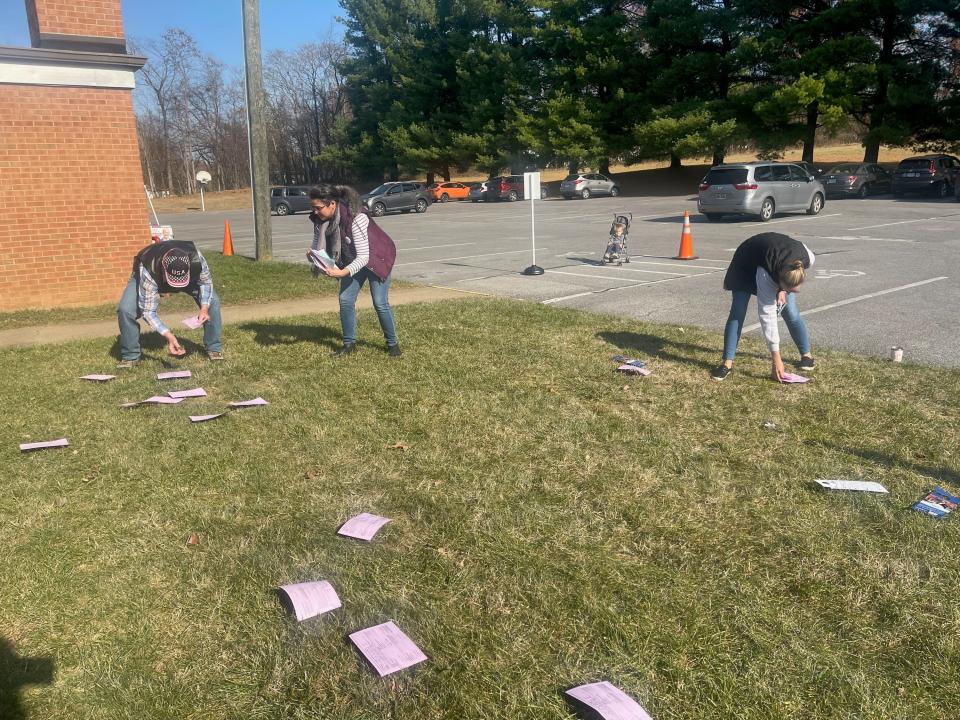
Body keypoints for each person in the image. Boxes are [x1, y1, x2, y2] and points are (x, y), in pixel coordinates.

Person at [308, 183, 400, 357]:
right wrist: (313, 255)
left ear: (332, 203)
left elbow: (364, 256)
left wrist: (343, 272)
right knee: (345, 300)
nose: (315, 212)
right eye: (312, 207)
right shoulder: (321, 220)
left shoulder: (356, 217)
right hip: (353, 260)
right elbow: (316, 245)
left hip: (377, 258)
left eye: (318, 207)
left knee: (380, 303)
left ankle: (392, 344)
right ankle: (349, 344)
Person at [712, 232, 816, 382]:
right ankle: (726, 363)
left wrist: (783, 290)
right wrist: (776, 360)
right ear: (779, 280)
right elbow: (768, 317)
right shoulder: (766, 275)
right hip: (746, 263)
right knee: (738, 311)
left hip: (776, 265)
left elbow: (788, 282)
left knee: (790, 311)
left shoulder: (805, 259)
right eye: (785, 287)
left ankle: (807, 356)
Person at [116, 239, 223, 368]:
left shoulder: (197, 259)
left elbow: (206, 283)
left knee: (213, 301)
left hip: (187, 278)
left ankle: (213, 348)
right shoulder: (149, 269)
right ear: (164, 269)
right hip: (150, 275)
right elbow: (148, 312)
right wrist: (168, 335)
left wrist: (204, 308)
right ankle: (130, 356)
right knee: (125, 310)